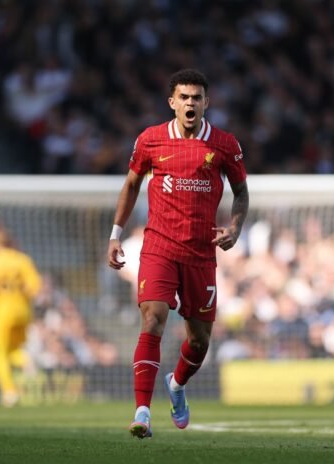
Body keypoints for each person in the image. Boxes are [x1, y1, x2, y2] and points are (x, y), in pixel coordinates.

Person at [107, 69, 249, 438]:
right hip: (159, 247)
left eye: (196, 97)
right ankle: (142, 411)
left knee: (200, 339)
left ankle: (176, 383)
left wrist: (235, 227)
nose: (190, 103)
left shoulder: (223, 145)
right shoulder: (151, 140)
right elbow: (131, 185)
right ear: (171, 102)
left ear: (206, 102)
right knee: (153, 318)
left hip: (201, 254)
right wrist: (115, 234)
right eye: (183, 97)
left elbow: (241, 192)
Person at [0, 229, 42, 407]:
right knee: (14, 349)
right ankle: (26, 360)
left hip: (3, 311)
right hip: (23, 311)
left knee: (0, 353)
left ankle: (9, 392)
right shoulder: (22, 260)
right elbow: (34, 286)